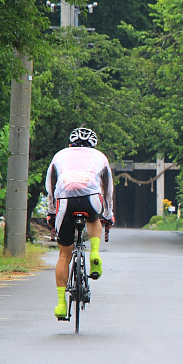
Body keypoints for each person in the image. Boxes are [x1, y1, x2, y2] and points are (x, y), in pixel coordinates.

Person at [45, 127, 114, 320]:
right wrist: (108, 214)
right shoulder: (100, 157)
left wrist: (51, 212)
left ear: (70, 144)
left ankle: (60, 304)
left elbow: (50, 186)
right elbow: (108, 189)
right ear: (93, 145)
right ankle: (94, 252)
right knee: (94, 218)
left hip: (65, 199)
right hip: (91, 197)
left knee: (64, 255)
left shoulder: (60, 155)